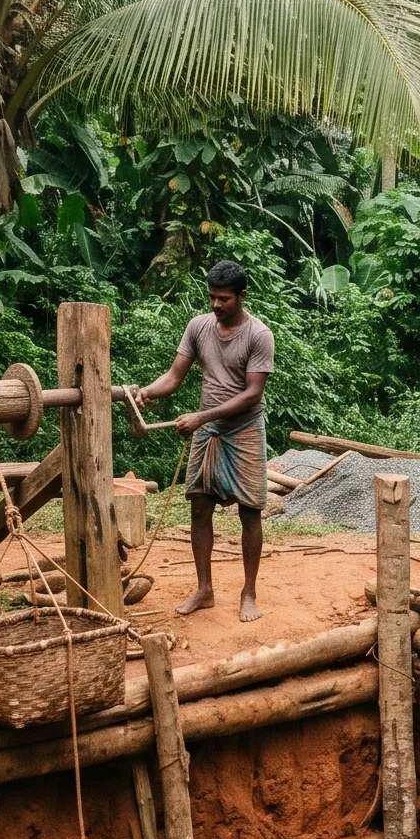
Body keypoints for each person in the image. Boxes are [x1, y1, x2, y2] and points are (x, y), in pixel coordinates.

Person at [129, 260, 274, 621]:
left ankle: (249, 592)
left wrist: (202, 417)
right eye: (211, 297)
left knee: (250, 511)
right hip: (208, 432)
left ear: (242, 296)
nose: (215, 305)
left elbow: (253, 394)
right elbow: (174, 375)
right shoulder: (198, 327)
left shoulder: (259, 335)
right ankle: (204, 589)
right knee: (199, 507)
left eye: (223, 298)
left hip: (243, 429)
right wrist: (147, 392)